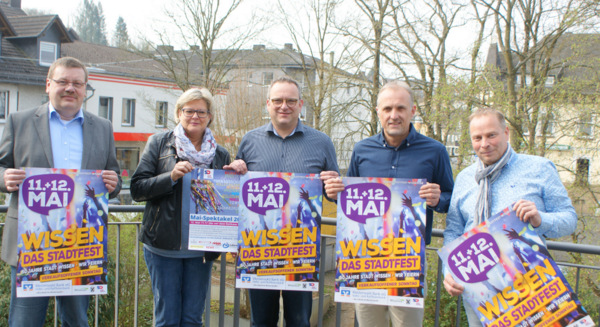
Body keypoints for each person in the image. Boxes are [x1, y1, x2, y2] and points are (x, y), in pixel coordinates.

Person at [0, 56, 121, 326]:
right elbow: (1, 167)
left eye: (78, 83)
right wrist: (4, 177)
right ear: (48, 85)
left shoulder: (102, 127)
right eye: (63, 81)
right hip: (32, 245)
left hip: (80, 243)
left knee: (77, 321)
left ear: (85, 89)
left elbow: (112, 178)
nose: (71, 88)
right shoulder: (19, 121)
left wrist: (114, 184)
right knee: (24, 321)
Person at [324, 80, 454, 326]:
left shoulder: (435, 151)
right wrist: (334, 192)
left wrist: (438, 199)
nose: (394, 115)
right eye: (387, 109)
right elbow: (349, 200)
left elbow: (449, 199)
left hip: (409, 261)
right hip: (365, 258)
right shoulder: (362, 150)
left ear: (413, 110)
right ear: (378, 112)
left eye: (401, 108)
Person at [442, 107, 577, 325]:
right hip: (479, 291)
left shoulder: (539, 168)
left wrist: (540, 219)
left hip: (529, 286)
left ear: (506, 133)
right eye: (477, 138)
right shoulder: (466, 178)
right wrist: (449, 271)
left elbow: (569, 220)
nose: (484, 144)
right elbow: (454, 230)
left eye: (491, 135)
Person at [226, 76, 339, 327]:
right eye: (277, 100)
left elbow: (334, 194)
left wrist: (334, 187)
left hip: (300, 251)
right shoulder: (249, 140)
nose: (283, 106)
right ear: (268, 104)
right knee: (261, 321)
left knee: (299, 321)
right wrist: (234, 172)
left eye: (290, 100)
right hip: (258, 249)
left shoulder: (322, 142)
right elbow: (237, 195)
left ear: (301, 104)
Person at [131, 88, 244, 327]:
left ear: (210, 116)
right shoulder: (159, 143)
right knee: (167, 319)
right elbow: (137, 189)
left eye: (201, 111)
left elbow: (228, 202)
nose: (195, 116)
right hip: (163, 247)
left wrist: (239, 175)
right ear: (179, 113)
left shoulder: (220, 153)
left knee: (193, 319)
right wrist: (170, 177)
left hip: (201, 251)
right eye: (189, 110)